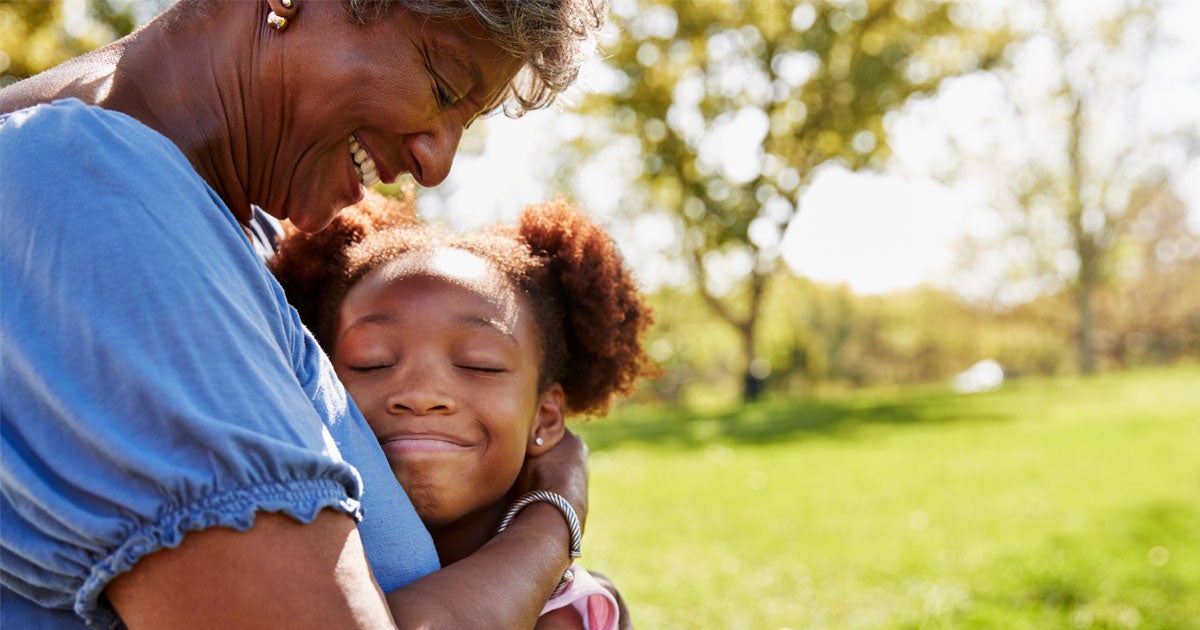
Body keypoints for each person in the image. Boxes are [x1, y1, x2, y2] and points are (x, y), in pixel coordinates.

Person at [0, 0, 607, 627]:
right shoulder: (92, 197)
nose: (437, 163)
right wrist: (554, 514)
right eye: (442, 85)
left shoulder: (241, 233)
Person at [270, 190, 653, 629]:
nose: (420, 393)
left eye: (479, 364)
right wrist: (556, 513)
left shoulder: (565, 614)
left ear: (544, 418)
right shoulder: (274, 554)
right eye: (371, 360)